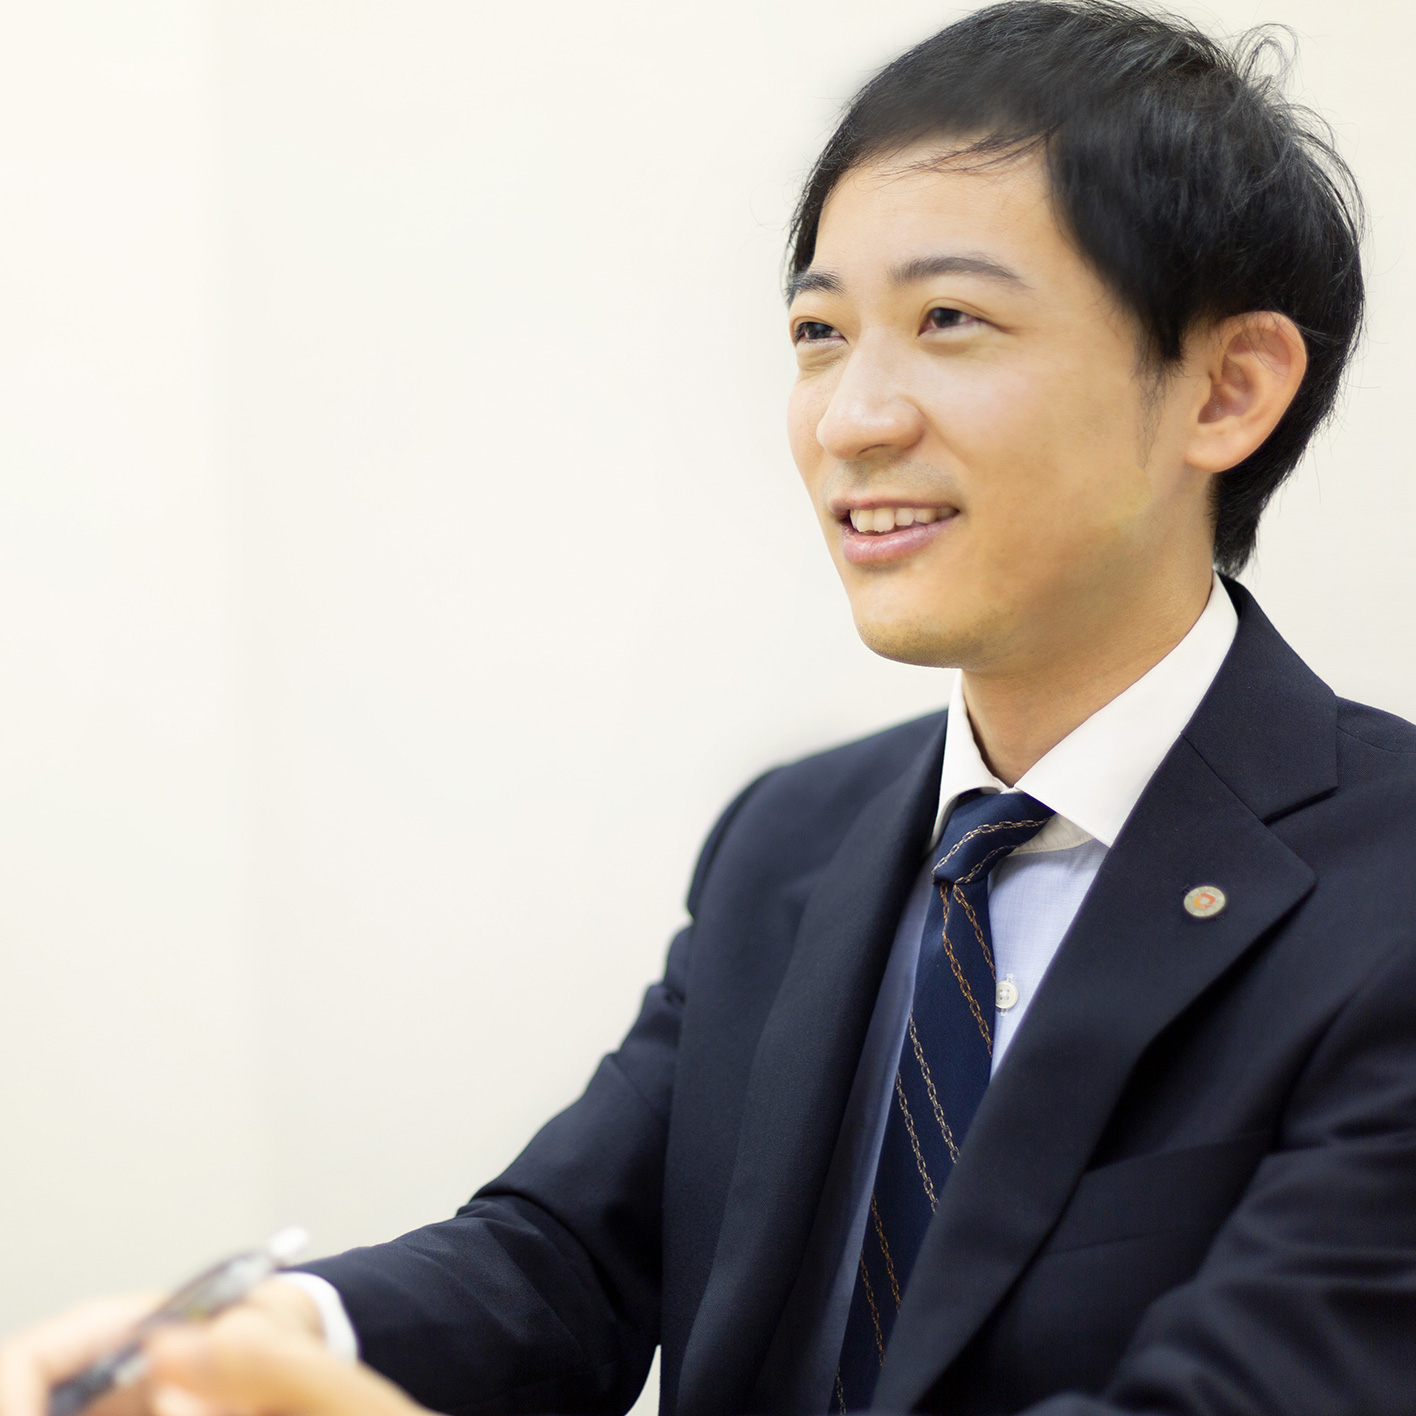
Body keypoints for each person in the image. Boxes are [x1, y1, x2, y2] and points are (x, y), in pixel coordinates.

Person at [6, 1, 1414, 1412]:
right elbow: (567, 1258)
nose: (852, 418)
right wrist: (266, 1343)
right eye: (819, 332)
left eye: (949, 320)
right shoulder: (794, 838)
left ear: (1226, 391)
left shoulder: (1389, 893)